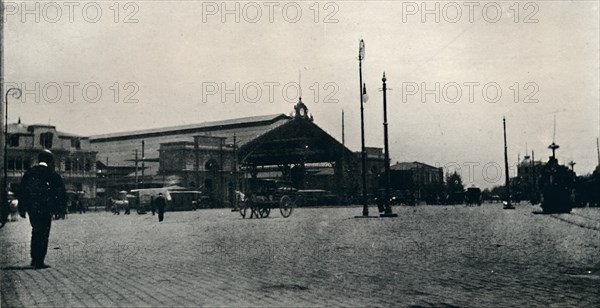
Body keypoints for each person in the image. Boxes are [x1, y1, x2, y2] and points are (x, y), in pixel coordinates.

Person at [18, 150, 67, 269]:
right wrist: (60, 209)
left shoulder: (29, 173)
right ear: (50, 161)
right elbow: (60, 193)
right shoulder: (52, 174)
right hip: (46, 208)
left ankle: (34, 258)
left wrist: (22, 208)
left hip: (32, 209)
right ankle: (39, 260)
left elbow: (22, 191)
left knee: (36, 231)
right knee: (44, 233)